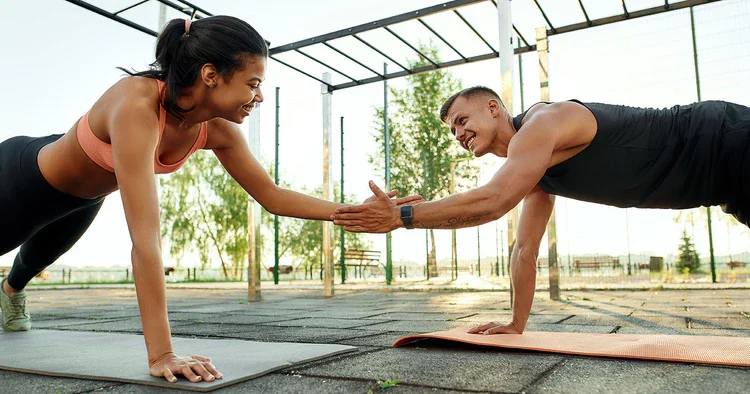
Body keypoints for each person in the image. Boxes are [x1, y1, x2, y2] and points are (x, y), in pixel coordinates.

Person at [0, 16, 420, 384]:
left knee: (29, 266)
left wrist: (352, 213)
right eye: (253, 84)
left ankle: (10, 293)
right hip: (21, 181)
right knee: (18, 234)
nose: (259, 97)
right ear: (210, 74)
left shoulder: (216, 129)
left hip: (85, 198)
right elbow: (146, 242)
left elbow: (271, 195)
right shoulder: (136, 104)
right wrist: (162, 354)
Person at [330, 85, 749, 336]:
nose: (458, 133)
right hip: (719, 181)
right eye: (453, 130)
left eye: (462, 119)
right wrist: (516, 323)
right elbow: (524, 251)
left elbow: (493, 201)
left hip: (720, 139)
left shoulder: (544, 123)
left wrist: (402, 218)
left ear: (493, 107)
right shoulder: (534, 170)